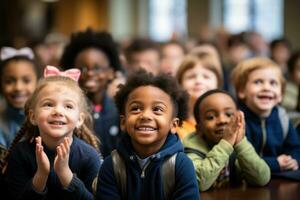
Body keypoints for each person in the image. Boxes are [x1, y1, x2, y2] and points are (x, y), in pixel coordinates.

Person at [96, 69, 200, 200]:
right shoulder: (112, 165)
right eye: (136, 109)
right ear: (123, 122)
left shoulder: (181, 165)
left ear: (173, 125)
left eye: (157, 109)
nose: (145, 115)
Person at [1, 66, 101, 200]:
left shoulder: (89, 157)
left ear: (80, 119)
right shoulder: (21, 154)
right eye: (48, 104)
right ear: (33, 116)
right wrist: (41, 175)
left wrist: (65, 175)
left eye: (68, 106)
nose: (58, 111)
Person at [183, 89, 270, 191]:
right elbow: (198, 184)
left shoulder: (239, 146)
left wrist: (241, 143)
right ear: (199, 129)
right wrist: (226, 144)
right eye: (211, 117)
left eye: (229, 114)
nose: (222, 121)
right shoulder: (190, 150)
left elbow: (262, 179)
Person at [60, 28, 123, 157]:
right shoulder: (65, 111)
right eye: (82, 68)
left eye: (97, 68)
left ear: (111, 72)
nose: (89, 73)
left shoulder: (119, 111)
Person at [231, 57, 300, 173]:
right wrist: (275, 163)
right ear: (241, 91)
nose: (266, 88)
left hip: (280, 179)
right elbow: (238, 160)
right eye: (258, 82)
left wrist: (293, 160)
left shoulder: (282, 117)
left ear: (281, 95)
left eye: (273, 83)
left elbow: (295, 147)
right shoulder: (238, 120)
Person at [175, 51, 223, 139]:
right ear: (180, 84)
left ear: (218, 83)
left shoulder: (224, 121)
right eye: (191, 76)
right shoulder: (174, 126)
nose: (199, 81)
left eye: (206, 76)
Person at [0, 47, 40, 149]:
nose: (18, 87)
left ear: (38, 82)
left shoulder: (43, 118)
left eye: (26, 81)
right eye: (9, 81)